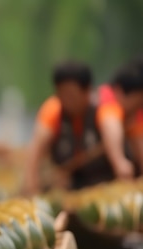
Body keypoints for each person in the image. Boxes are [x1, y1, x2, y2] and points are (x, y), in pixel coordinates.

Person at [24, 61, 117, 193]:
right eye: (62, 95)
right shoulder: (53, 110)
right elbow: (34, 155)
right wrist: (32, 186)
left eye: (71, 96)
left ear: (87, 91)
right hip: (67, 186)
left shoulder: (104, 109)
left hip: (103, 187)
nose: (66, 101)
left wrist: (120, 165)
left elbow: (113, 132)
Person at [96, 62, 143, 179]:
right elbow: (111, 123)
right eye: (138, 100)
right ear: (120, 91)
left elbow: (139, 140)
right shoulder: (106, 99)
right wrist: (119, 162)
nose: (139, 105)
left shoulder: (135, 112)